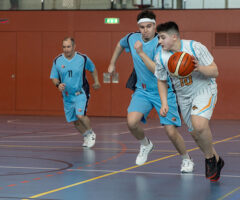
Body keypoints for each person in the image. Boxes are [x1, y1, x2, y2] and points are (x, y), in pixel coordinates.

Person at [107, 10, 194, 173]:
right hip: (142, 91)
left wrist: (140, 52)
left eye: (149, 26)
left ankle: (186, 159)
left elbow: (157, 70)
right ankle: (146, 144)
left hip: (164, 91)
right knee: (132, 123)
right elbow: (120, 45)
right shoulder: (131, 38)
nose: (145, 30)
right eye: (142, 27)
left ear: (155, 26)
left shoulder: (162, 44)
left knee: (170, 131)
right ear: (138, 27)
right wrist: (113, 63)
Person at [155, 21, 224, 182]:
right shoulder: (161, 56)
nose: (159, 41)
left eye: (162, 37)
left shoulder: (195, 47)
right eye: (159, 38)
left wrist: (199, 67)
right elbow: (161, 80)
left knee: (199, 125)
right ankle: (218, 160)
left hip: (204, 89)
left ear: (174, 37)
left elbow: (215, 71)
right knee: (195, 133)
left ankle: (209, 159)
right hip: (184, 96)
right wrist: (164, 103)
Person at [50, 37, 100, 148]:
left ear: (74, 46)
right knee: (75, 121)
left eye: (68, 46)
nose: (66, 49)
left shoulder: (83, 58)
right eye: (64, 47)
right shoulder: (57, 60)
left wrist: (96, 81)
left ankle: (91, 133)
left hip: (80, 92)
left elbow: (92, 69)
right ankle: (86, 135)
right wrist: (58, 85)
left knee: (80, 115)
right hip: (67, 95)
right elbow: (53, 77)